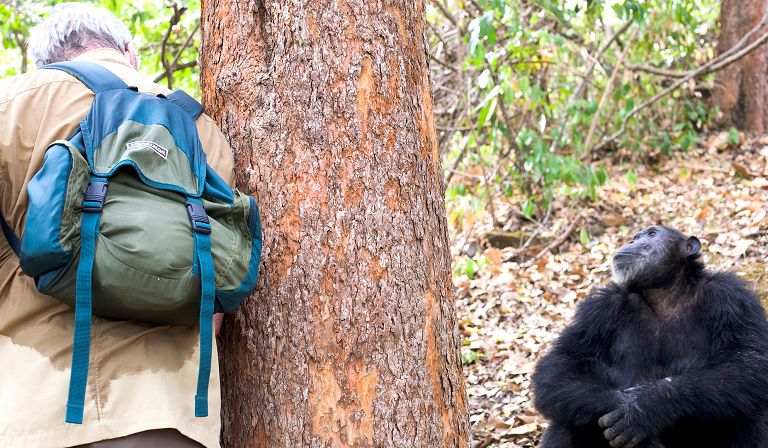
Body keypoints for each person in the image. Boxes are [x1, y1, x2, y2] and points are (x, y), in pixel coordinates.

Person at [0, 4, 231, 447]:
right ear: (128, 50)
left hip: (35, 413)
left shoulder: (14, 105)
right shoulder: (201, 130)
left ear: (43, 62)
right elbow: (216, 296)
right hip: (171, 416)